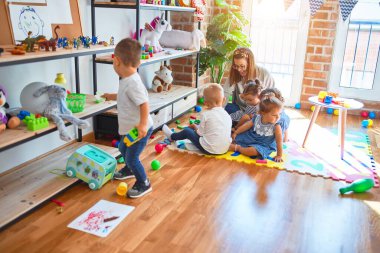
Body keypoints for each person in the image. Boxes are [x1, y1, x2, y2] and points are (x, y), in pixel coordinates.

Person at [102, 38, 153, 198]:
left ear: (116, 61)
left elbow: (144, 104)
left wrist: (143, 125)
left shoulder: (133, 83)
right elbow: (127, 96)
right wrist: (113, 96)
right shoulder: (127, 80)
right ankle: (129, 170)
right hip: (130, 128)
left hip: (139, 130)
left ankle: (144, 182)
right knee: (123, 149)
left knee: (131, 157)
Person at [162, 84, 232, 155]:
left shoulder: (206, 115)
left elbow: (200, 133)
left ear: (205, 103)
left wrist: (194, 127)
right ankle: (193, 145)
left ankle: (172, 136)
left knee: (187, 131)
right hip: (224, 149)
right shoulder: (227, 115)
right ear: (224, 100)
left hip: (209, 150)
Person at [230, 93, 285, 162]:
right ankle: (236, 143)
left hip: (264, 144)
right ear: (263, 113)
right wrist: (236, 132)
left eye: (279, 114)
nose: (278, 117)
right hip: (252, 137)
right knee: (235, 137)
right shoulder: (257, 118)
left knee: (252, 151)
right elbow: (246, 126)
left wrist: (279, 155)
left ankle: (238, 148)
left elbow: (279, 141)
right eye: (274, 115)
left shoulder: (276, 126)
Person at [224, 47, 275, 115]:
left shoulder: (264, 74)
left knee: (282, 118)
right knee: (228, 107)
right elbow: (226, 93)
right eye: (236, 66)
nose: (239, 69)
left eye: (242, 66)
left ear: (250, 64)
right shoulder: (235, 73)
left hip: (259, 110)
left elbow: (272, 96)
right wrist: (220, 110)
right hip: (240, 108)